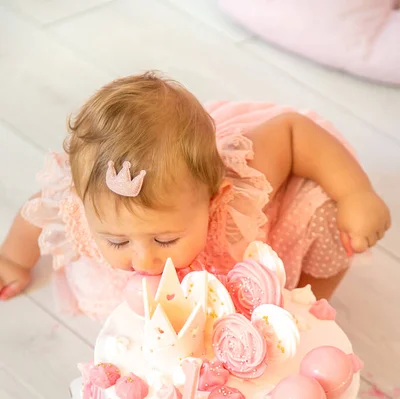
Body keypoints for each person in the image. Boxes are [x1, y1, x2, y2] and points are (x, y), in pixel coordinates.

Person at [0, 72, 390, 319]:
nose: (143, 260)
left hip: (231, 233)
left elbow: (292, 131)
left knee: (326, 210)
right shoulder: (84, 201)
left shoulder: (238, 179)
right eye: (116, 240)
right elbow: (39, 210)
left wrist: (356, 192)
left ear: (214, 200)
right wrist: (12, 258)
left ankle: (306, 309)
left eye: (165, 239)